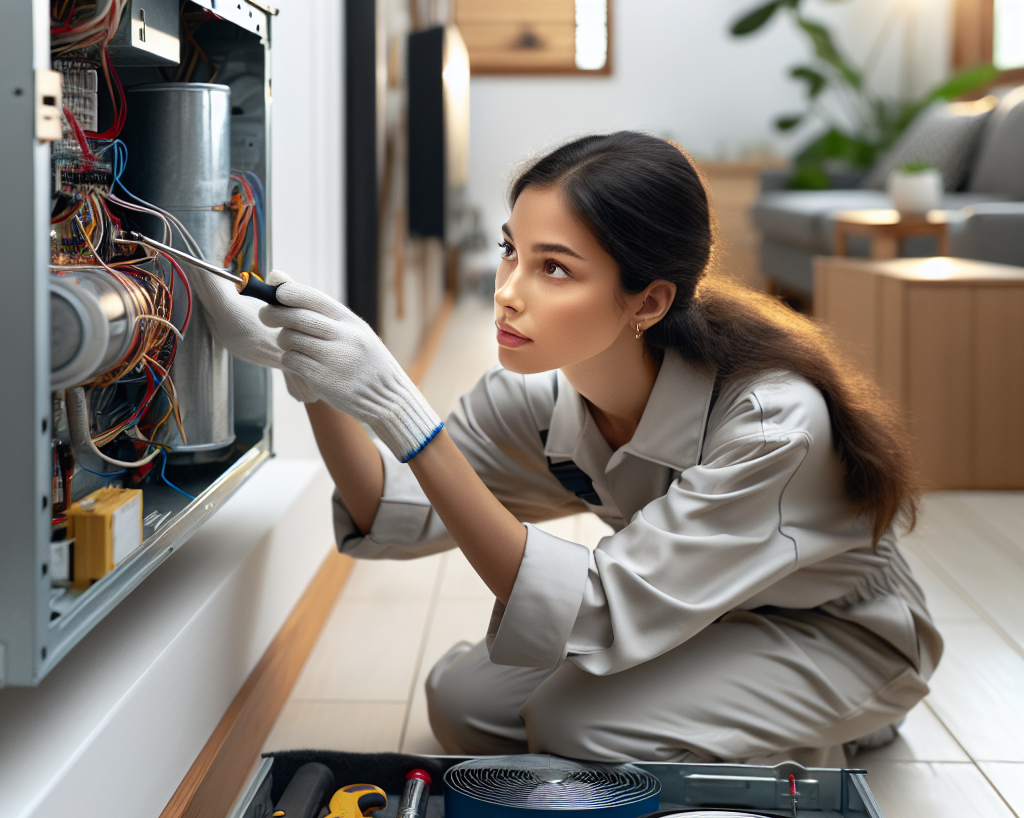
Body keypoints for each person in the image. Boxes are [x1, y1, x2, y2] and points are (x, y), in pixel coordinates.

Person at [194, 131, 941, 768]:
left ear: (648, 301)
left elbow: (597, 610)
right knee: (464, 705)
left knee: (574, 725)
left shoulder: (773, 426)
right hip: (689, 614)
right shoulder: (535, 399)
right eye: (510, 251)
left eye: (554, 268)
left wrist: (406, 416)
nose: (509, 290)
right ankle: (719, 714)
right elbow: (395, 511)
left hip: (837, 630)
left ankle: (835, 731)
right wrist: (311, 377)